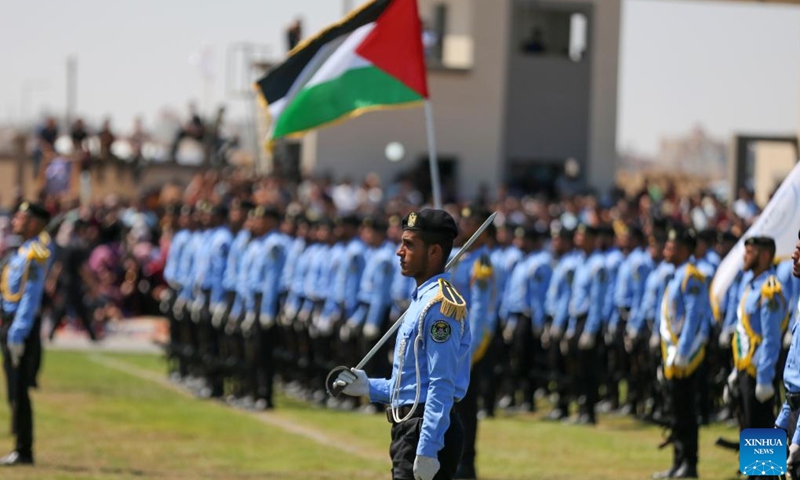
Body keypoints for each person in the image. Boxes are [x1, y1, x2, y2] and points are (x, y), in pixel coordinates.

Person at [335, 209, 470, 480]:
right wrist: (369, 387)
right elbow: (412, 385)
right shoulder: (421, 300)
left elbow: (440, 384)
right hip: (409, 427)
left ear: (434, 251)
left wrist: (429, 447)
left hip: (424, 429)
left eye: (409, 244)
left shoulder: (440, 306)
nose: (399, 251)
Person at [653, 228, 709, 479]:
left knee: (760, 419)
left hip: (759, 365)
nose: (665, 250)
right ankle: (680, 462)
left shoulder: (691, 277)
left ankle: (764, 472)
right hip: (751, 365)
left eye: (671, 246)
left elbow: (695, 317)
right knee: (678, 411)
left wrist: (684, 350)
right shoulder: (678, 275)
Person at [0, 202, 53, 466]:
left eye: (21, 218)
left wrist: (18, 333)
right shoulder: (20, 252)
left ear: (34, 223)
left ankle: (24, 450)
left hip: (20, 328)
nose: (15, 221)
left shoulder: (35, 254)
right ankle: (20, 446)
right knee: (13, 390)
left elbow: (30, 297)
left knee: (19, 390)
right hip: (9, 323)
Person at [729, 236, 785, 474]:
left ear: (764, 256)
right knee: (749, 427)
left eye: (750, 252)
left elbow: (771, 338)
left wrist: (764, 378)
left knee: (762, 431)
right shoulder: (751, 286)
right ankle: (755, 475)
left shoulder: (769, 289)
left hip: (760, 370)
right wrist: (736, 371)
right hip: (745, 368)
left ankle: (766, 475)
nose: (745, 256)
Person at [777, 229, 800, 476]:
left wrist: (798, 439)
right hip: (792, 407)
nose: (793, 255)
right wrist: (782, 421)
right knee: (763, 463)